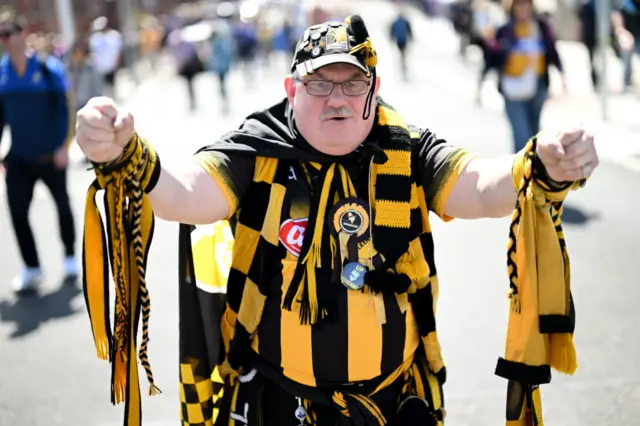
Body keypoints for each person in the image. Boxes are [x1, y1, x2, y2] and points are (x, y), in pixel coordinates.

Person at [76, 15, 598, 426]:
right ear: (292, 89)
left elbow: (480, 187)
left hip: (393, 402)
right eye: (320, 85)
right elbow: (184, 193)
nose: (338, 100)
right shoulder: (259, 150)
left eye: (353, 83)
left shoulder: (406, 148)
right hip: (278, 403)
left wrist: (537, 164)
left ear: (374, 87)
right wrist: (127, 155)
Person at [0, 11, 78, 293]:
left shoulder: (48, 68)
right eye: (1, 36)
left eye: (8, 33)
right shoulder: (2, 72)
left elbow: (66, 109)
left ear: (23, 34)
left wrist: (64, 146)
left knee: (62, 205)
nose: (4, 40)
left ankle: (70, 257)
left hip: (50, 155)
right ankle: (31, 267)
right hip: (19, 156)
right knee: (17, 212)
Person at [485, 0, 566, 153]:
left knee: (534, 134)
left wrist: (562, 75)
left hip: (538, 86)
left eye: (526, 4)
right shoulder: (505, 30)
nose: (523, 8)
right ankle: (521, 173)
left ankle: (534, 173)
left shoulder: (541, 27)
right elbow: (492, 59)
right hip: (512, 88)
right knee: (521, 136)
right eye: (518, 4)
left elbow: (552, 51)